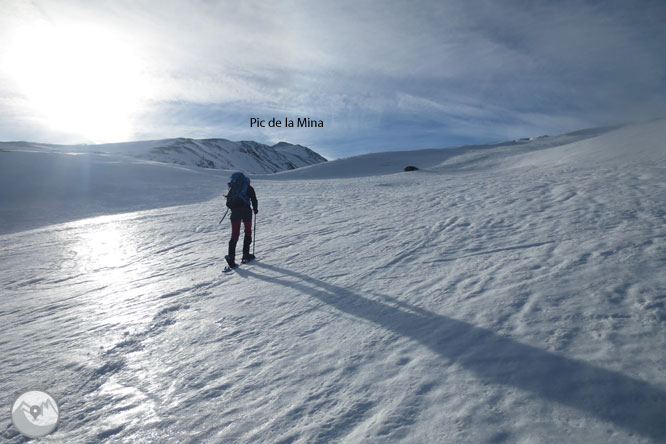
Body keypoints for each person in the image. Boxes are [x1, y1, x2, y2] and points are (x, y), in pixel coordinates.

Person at [224, 172, 258, 269]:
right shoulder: (249, 188)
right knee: (248, 232)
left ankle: (231, 257)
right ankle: (245, 255)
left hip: (235, 213)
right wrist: (255, 209)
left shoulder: (233, 188)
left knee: (234, 235)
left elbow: (228, 204)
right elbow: (254, 199)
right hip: (246, 212)